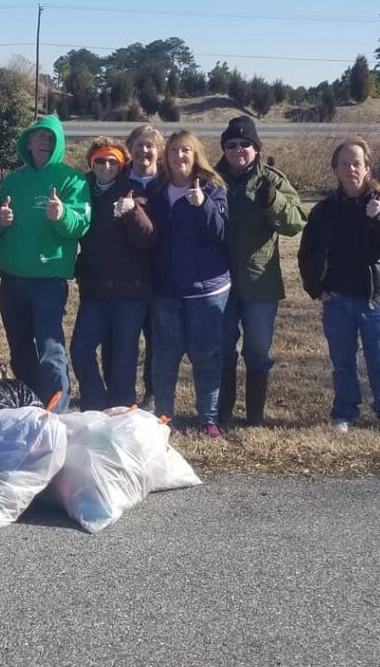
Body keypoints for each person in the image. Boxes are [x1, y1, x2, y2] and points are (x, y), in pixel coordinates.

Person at [298, 137, 380, 433]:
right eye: (345, 164)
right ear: (335, 169)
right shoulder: (324, 210)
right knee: (342, 362)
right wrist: (316, 287)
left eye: (357, 164)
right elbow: (307, 251)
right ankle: (344, 412)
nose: (351, 169)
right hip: (336, 300)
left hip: (375, 299)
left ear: (367, 167)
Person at [0, 114, 91, 412]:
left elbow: (81, 225)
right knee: (19, 347)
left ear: (58, 144)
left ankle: (55, 411)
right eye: (39, 137)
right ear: (28, 143)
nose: (44, 143)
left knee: (50, 349)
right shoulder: (14, 180)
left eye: (50, 138)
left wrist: (62, 215)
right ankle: (29, 404)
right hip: (12, 278)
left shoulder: (72, 179)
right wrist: (1, 219)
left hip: (48, 280)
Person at [215, 116, 306, 426]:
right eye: (231, 145)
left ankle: (254, 416)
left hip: (260, 283)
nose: (238, 149)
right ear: (224, 149)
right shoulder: (211, 179)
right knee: (223, 350)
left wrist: (273, 201)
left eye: (245, 144)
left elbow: (295, 223)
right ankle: (223, 413)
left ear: (256, 147)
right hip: (219, 282)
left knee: (257, 351)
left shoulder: (273, 180)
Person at [147, 130, 230, 436]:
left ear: (195, 155)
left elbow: (221, 233)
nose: (179, 156)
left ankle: (208, 418)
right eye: (173, 151)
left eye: (186, 151)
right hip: (167, 291)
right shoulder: (157, 191)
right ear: (165, 157)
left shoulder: (213, 188)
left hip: (206, 291)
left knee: (206, 357)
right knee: (164, 357)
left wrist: (203, 204)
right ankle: (164, 417)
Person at [70, 137, 154, 411]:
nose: (106, 166)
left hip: (129, 292)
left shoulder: (132, 192)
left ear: (121, 165)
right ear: (91, 163)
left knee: (123, 357)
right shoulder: (81, 190)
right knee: (81, 351)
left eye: (112, 161)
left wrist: (132, 213)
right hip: (94, 290)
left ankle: (120, 409)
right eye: (100, 161)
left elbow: (147, 239)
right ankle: (95, 404)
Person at [125, 123, 167, 410]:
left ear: (159, 152)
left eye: (150, 145)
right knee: (123, 343)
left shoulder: (167, 184)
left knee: (157, 342)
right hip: (124, 277)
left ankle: (152, 395)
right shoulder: (117, 180)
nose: (144, 150)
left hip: (160, 277)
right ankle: (120, 394)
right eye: (139, 144)